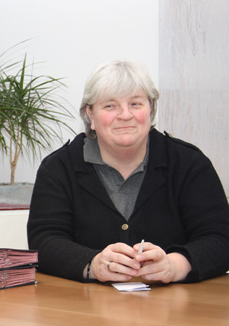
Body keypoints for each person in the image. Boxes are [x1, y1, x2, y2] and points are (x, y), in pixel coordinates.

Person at [27, 60, 229, 283]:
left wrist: (175, 265)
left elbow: (221, 238)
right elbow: (43, 241)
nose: (125, 115)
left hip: (177, 308)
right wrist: (93, 265)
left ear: (150, 109)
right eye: (110, 106)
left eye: (135, 104)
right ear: (90, 115)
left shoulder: (190, 163)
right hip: (84, 309)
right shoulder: (58, 168)